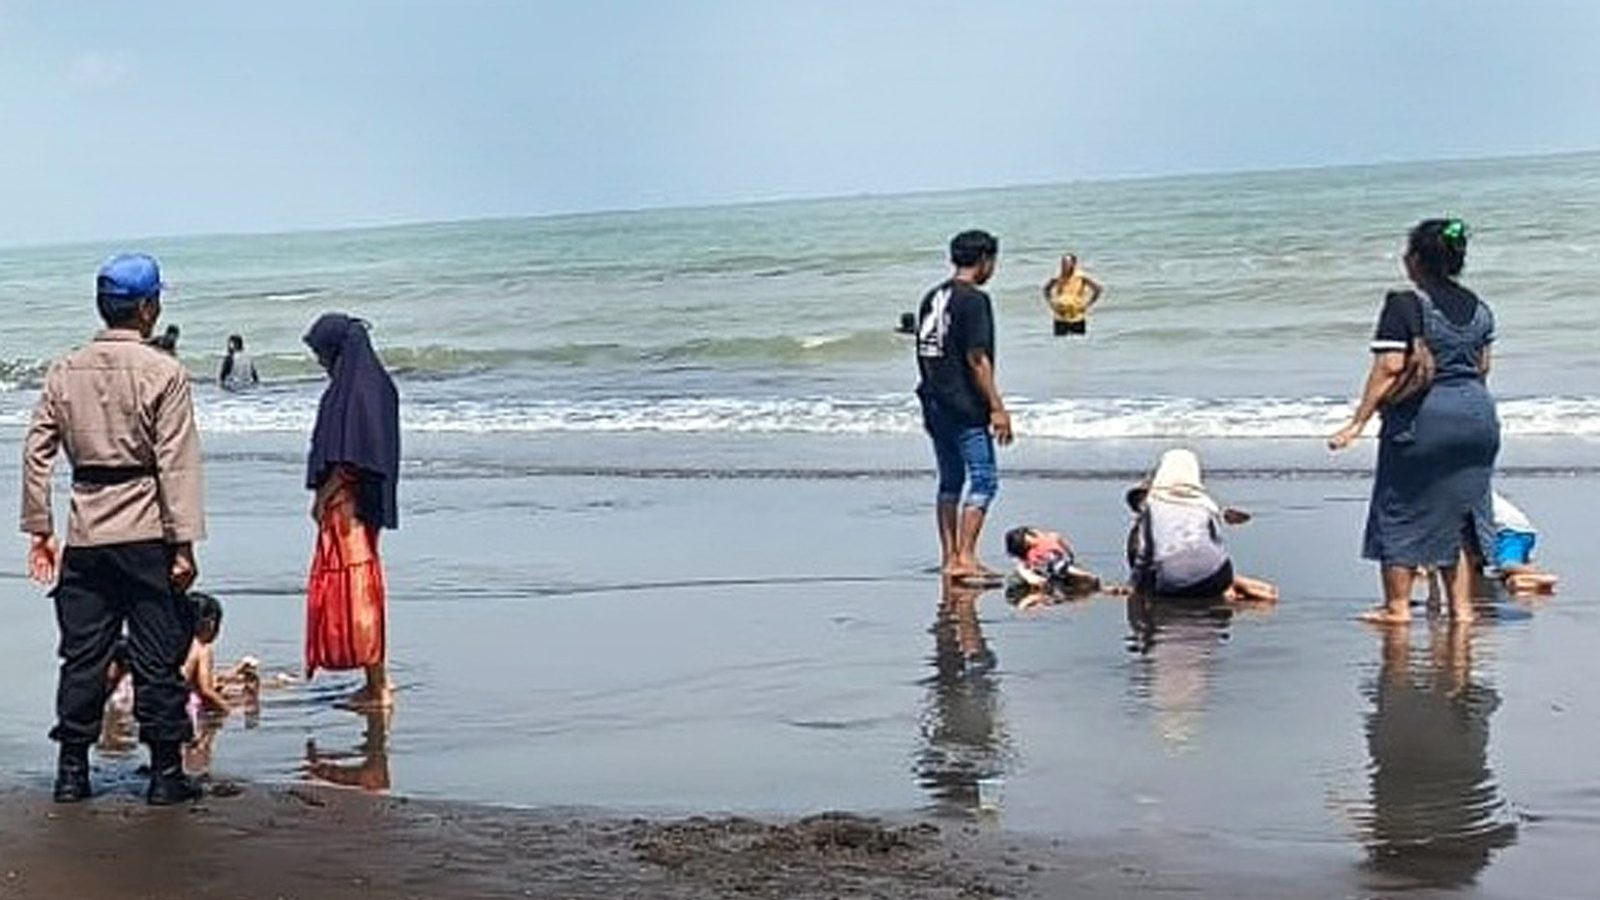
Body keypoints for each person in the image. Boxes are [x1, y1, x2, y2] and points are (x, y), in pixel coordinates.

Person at [21, 252, 206, 805]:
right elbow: (176, 464)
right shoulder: (164, 372)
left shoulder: (65, 369)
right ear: (147, 308)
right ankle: (165, 772)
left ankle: (72, 771)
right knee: (156, 655)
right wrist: (183, 544)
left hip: (86, 529)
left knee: (83, 656)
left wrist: (40, 528)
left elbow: (36, 452)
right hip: (145, 529)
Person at [1329, 219, 1499, 624]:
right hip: (1478, 417)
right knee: (1461, 513)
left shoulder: (1405, 305)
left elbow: (1389, 367)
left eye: (1408, 252)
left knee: (1401, 505)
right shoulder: (1479, 307)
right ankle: (1462, 609)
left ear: (1418, 260)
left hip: (1424, 418)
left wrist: (1358, 422)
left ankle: (1397, 607)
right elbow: (1483, 367)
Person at [304, 313, 401, 709]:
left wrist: (322, 497)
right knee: (364, 586)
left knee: (357, 589)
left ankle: (377, 686)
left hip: (349, 504)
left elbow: (350, 460)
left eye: (321, 353)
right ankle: (377, 679)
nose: (319, 361)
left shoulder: (353, 393)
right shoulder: (375, 386)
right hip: (365, 503)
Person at [915, 230, 1013, 584]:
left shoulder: (933, 296)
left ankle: (950, 558)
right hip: (963, 404)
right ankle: (967, 557)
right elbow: (976, 357)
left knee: (951, 480)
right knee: (984, 479)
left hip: (933, 400)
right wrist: (997, 407)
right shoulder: (974, 300)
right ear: (985, 260)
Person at [1125, 449, 1278, 604]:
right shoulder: (1206, 504)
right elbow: (1217, 543)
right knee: (1204, 574)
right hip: (1219, 574)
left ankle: (1230, 588)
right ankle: (1230, 587)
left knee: (1173, 578)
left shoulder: (1153, 506)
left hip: (1175, 580)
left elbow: (1145, 555)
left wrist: (1134, 586)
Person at [1003, 526, 1104, 603]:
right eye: (1027, 544)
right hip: (1051, 567)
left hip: (1054, 565)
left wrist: (1069, 554)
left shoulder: (1047, 539)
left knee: (1063, 569)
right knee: (1063, 570)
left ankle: (1089, 580)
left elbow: (1061, 543)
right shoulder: (1034, 549)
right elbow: (1027, 564)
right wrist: (1069, 554)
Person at [1041, 254, 1103, 336]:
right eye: (1063, 263)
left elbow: (1098, 289)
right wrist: (1052, 304)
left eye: (1067, 263)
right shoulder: (1058, 276)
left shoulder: (1081, 276)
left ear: (1073, 264)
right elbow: (1046, 289)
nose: (1064, 266)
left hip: (1077, 317)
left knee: (1079, 340)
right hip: (1060, 317)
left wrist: (1088, 304)